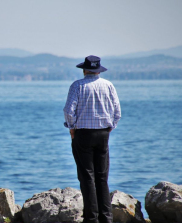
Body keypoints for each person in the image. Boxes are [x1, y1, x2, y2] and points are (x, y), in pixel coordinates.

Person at [63, 55, 121, 223]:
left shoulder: (77, 86)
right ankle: (106, 218)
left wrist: (72, 128)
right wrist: (110, 127)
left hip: (83, 134)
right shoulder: (108, 85)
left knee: (87, 177)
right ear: (98, 70)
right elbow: (117, 112)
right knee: (102, 177)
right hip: (103, 134)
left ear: (84, 70)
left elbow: (68, 110)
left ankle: (91, 219)